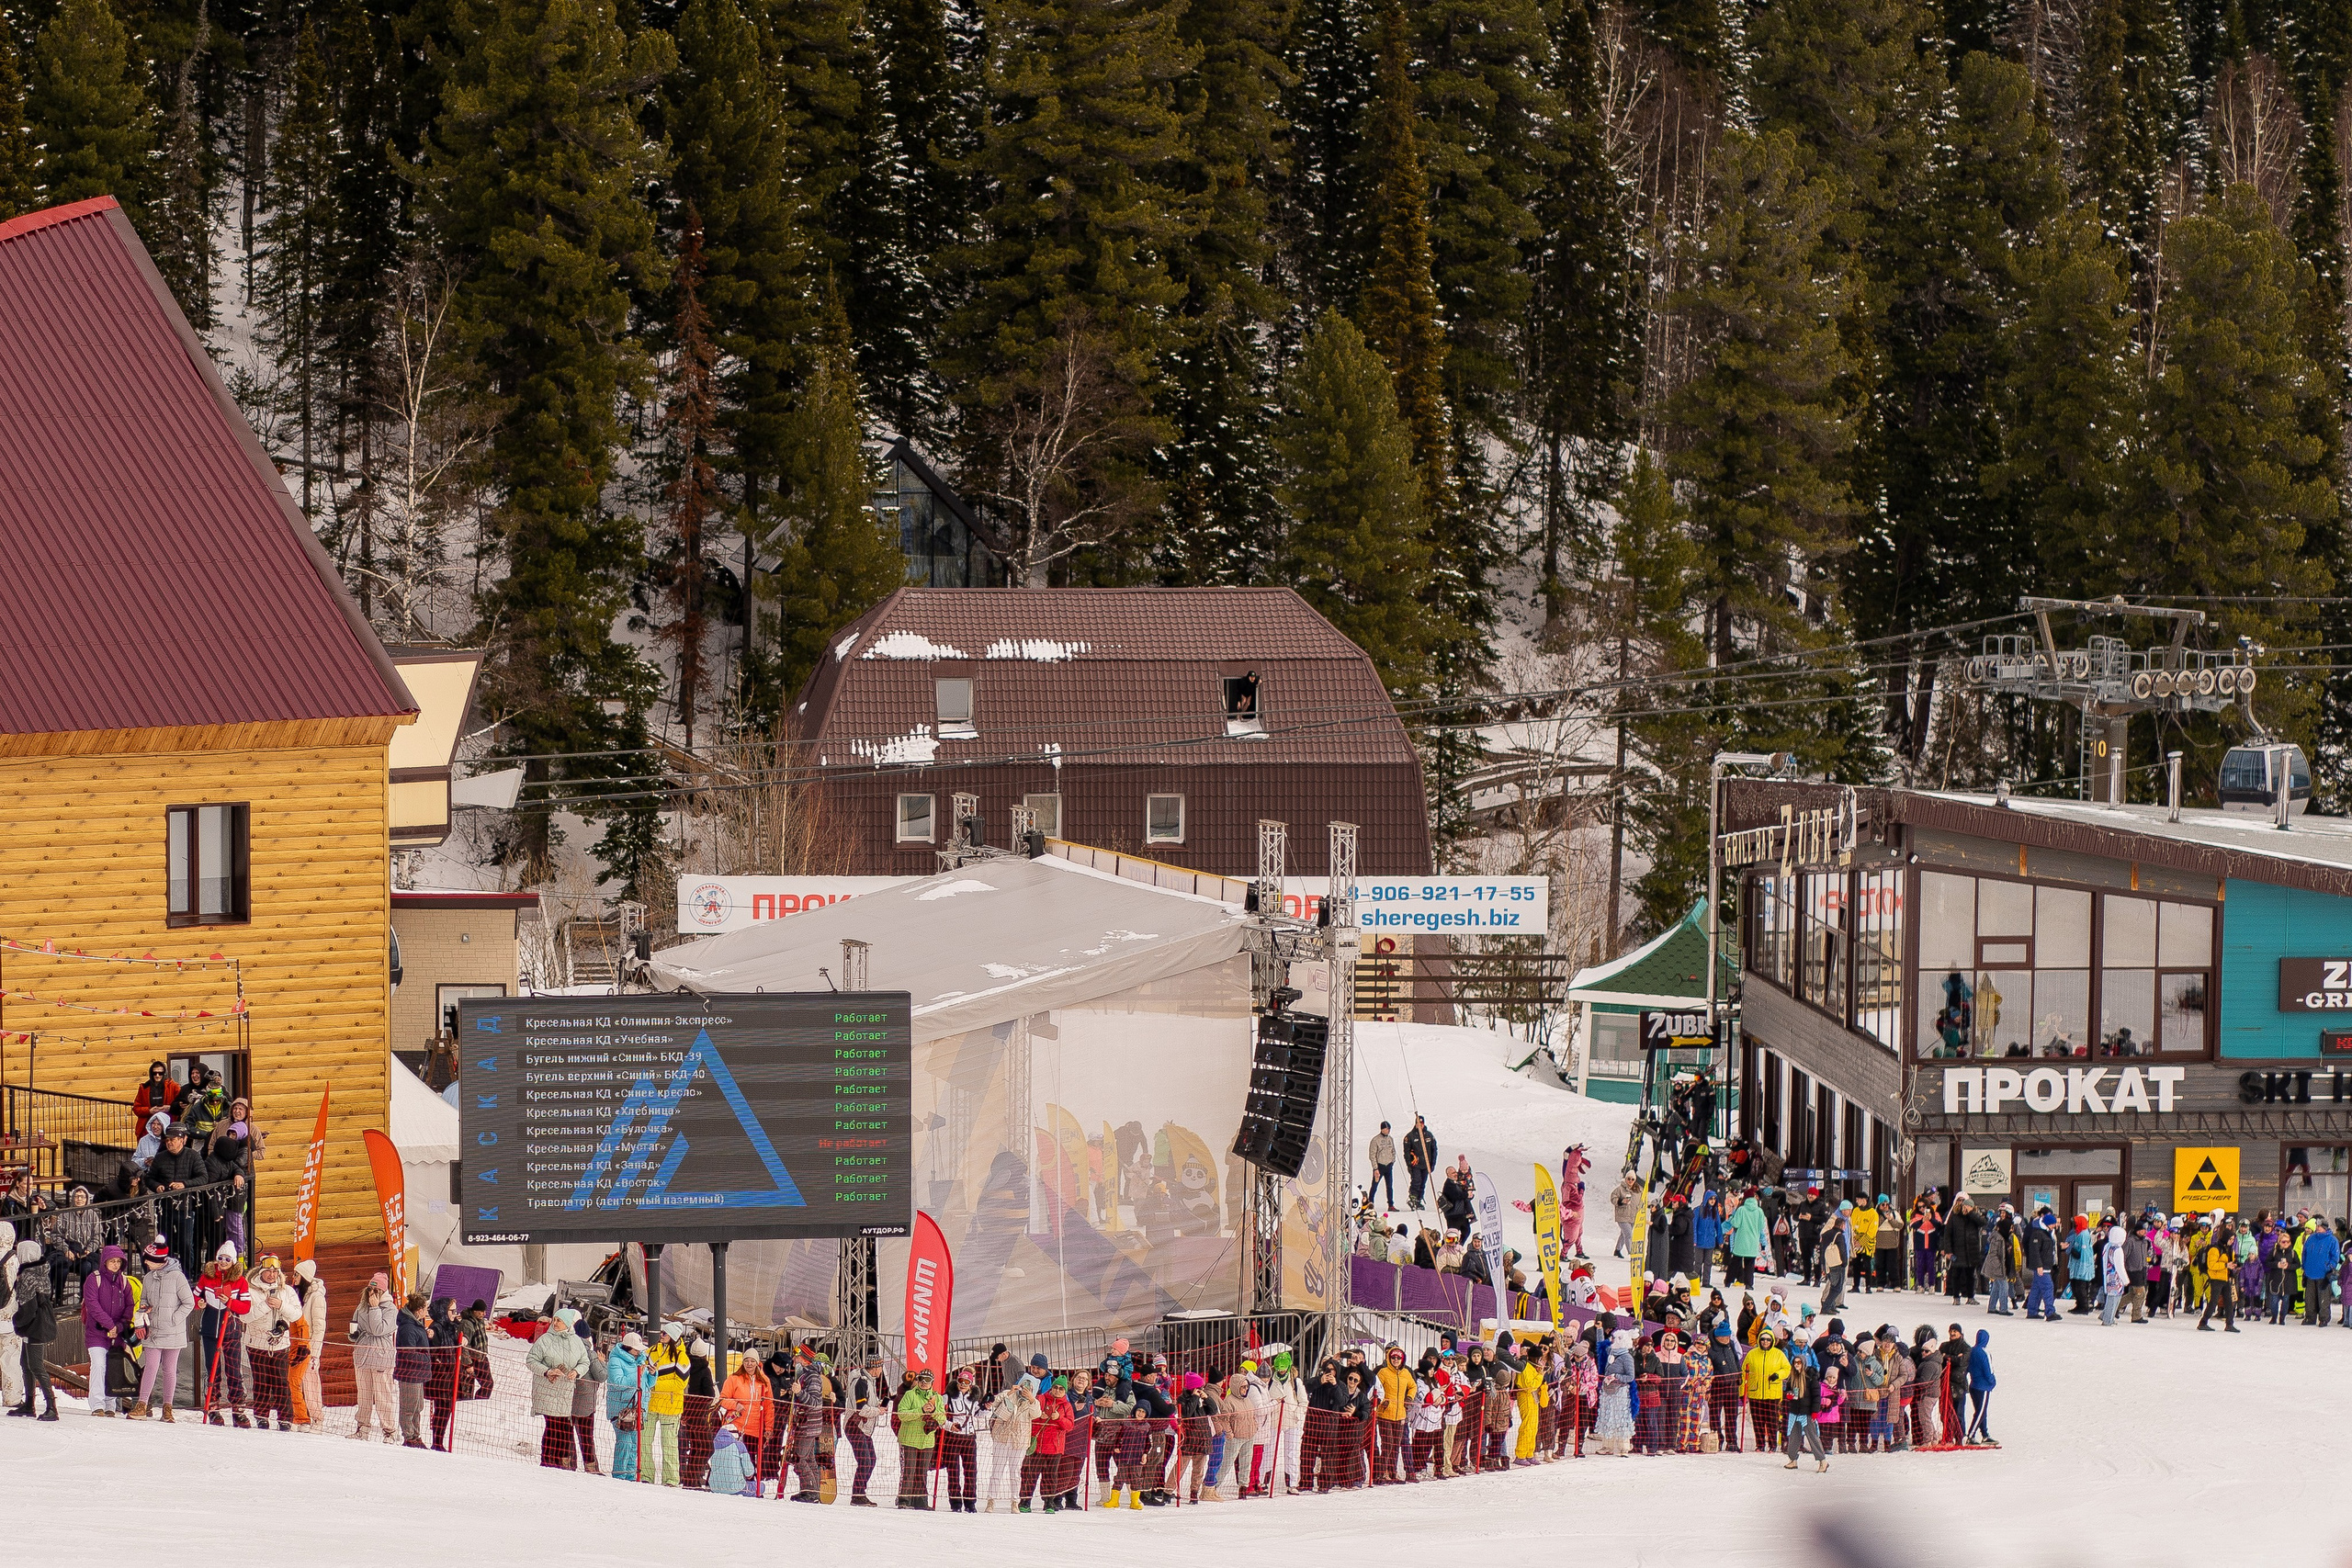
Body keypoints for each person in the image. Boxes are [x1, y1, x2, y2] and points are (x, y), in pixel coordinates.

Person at [129, 1236, 193, 1420]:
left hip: (173, 1331)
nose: (146, 1262)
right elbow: (144, 1299)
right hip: (153, 1329)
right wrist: (145, 1308)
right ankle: (142, 1404)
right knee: (150, 1366)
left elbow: (188, 1303)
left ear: (159, 1261)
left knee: (170, 1369)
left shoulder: (178, 1277)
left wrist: (174, 1319)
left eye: (149, 1259)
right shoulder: (148, 1277)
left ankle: (168, 1407)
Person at [526, 1305, 592, 1467]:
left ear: (567, 1323)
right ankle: (547, 1460)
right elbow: (531, 1360)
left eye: (559, 1320)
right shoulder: (545, 1340)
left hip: (565, 1392)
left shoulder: (576, 1341)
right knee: (553, 1425)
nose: (555, 1323)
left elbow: (585, 1361)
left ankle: (560, 1461)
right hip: (547, 1389)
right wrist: (547, 1371)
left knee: (563, 1428)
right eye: (554, 1320)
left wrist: (577, 1371)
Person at [76, 1244, 134, 1416]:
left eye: (118, 1261)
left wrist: (120, 1326)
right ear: (105, 1262)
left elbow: (130, 1306)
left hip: (117, 1333)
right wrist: (110, 1325)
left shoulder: (124, 1282)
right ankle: (97, 1404)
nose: (116, 1264)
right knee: (99, 1365)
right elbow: (92, 1305)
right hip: (97, 1331)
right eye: (112, 1261)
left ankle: (110, 1405)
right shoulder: (94, 1279)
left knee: (113, 1367)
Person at [8, 1235, 57, 1420]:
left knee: (36, 1366)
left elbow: (28, 1308)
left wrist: (16, 1321)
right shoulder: (41, 1270)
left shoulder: (27, 1276)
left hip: (35, 1325)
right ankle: (29, 1404)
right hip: (41, 1321)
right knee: (25, 1364)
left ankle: (52, 1406)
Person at [348, 1273, 399, 1442]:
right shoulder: (362, 1305)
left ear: (383, 1291)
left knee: (383, 1395)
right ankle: (362, 1428)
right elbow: (356, 1324)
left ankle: (389, 1431)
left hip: (381, 1355)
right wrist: (354, 1335)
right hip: (363, 1354)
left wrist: (375, 1308)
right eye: (370, 1288)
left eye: (376, 1289)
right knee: (364, 1395)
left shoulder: (390, 1309)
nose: (372, 1292)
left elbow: (378, 1329)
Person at [647, 1322, 691, 1484]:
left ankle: (671, 1479)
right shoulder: (652, 1351)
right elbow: (643, 1368)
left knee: (669, 1445)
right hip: (651, 1404)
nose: (661, 1335)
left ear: (672, 1336)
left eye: (665, 1333)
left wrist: (654, 1383)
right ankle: (646, 1476)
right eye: (661, 1332)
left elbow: (680, 1383)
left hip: (670, 1407)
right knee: (645, 1441)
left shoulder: (682, 1357)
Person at [895, 1366, 944, 1506]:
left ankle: (920, 1501)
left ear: (932, 1382)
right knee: (909, 1471)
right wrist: (921, 1410)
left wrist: (933, 1411)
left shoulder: (937, 1398)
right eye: (921, 1379)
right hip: (909, 1439)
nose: (923, 1382)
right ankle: (904, 1500)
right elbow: (902, 1414)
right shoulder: (910, 1395)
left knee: (922, 1472)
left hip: (926, 1440)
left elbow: (942, 1419)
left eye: (927, 1380)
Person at [941, 1365, 986, 1512]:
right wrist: (948, 1425)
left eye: (966, 1383)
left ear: (971, 1385)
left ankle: (970, 1501)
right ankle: (955, 1502)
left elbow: (978, 1414)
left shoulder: (973, 1398)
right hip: (953, 1437)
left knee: (971, 1470)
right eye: (961, 1381)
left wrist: (986, 1408)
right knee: (953, 1470)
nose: (963, 1385)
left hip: (969, 1437)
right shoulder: (948, 1396)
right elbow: (937, 1413)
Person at [607, 1330, 650, 1481]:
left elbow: (647, 1385)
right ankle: (619, 1476)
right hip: (622, 1411)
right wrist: (637, 1373)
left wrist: (651, 1375)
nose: (639, 1352)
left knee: (634, 1446)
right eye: (636, 1349)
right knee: (624, 1444)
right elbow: (617, 1383)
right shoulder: (615, 1360)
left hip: (639, 1409)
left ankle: (632, 1477)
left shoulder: (641, 1360)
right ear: (628, 1348)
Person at [394, 1292, 434, 1447]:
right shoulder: (408, 1328)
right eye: (425, 1309)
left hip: (417, 1373)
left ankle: (416, 1435)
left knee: (418, 1407)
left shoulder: (416, 1325)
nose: (426, 1312)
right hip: (409, 1373)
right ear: (418, 1310)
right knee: (408, 1407)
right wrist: (426, 1358)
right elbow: (408, 1353)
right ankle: (409, 1436)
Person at [2198, 1220, 2240, 1332]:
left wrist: (2235, 1264)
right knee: (2213, 1301)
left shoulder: (2228, 1249)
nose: (2232, 1242)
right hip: (2216, 1278)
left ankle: (2229, 1324)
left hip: (2226, 1277)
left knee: (2229, 1302)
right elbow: (2211, 1265)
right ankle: (2203, 1322)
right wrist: (2226, 1265)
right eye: (2231, 1239)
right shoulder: (2215, 1249)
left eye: (2233, 1240)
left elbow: (2232, 1260)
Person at [2302, 1216, 2342, 1325]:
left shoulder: (2332, 1240)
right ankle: (2310, 1317)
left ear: (2325, 1227)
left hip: (2324, 1274)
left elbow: (2335, 1257)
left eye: (2320, 1226)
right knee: (2309, 1298)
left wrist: (2329, 1267)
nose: (2318, 1228)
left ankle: (2324, 1318)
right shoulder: (2311, 1238)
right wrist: (2304, 1267)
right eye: (2317, 1226)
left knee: (2323, 1298)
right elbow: (2304, 1253)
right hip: (2310, 1272)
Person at [707, 1422, 757, 1495]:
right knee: (761, 1487)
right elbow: (748, 1472)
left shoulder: (712, 1445)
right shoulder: (739, 1446)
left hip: (714, 1487)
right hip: (736, 1488)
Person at [1403, 1116, 1437, 1210]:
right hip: (1416, 1164)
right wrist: (1409, 1164)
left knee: (1423, 1182)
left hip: (1426, 1164)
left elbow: (1434, 1150)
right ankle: (1413, 1198)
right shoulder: (1410, 1136)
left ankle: (1419, 1199)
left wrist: (1432, 1164)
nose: (1420, 1125)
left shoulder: (1429, 1135)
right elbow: (1406, 1152)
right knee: (1416, 1181)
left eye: (1421, 1124)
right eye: (1418, 1123)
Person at [1610, 1171, 1643, 1258]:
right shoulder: (1620, 1189)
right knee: (1628, 1234)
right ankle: (1632, 1253)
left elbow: (1642, 1201)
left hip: (1633, 1216)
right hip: (1622, 1216)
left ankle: (1617, 1250)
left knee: (1623, 1234)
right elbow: (1613, 1198)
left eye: (1632, 1179)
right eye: (1629, 1179)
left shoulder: (1639, 1190)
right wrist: (1621, 1201)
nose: (1630, 1181)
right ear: (1626, 1179)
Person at [1369, 1122, 1397, 1211]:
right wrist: (1375, 1168)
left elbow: (1393, 1151)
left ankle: (1391, 1205)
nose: (1387, 1130)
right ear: (1381, 1129)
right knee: (1374, 1186)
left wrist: (1392, 1161)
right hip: (1379, 1166)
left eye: (1388, 1129)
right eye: (1385, 1129)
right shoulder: (1375, 1140)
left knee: (1389, 1186)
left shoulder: (1390, 1139)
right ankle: (1370, 1203)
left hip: (1388, 1166)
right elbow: (1372, 1155)